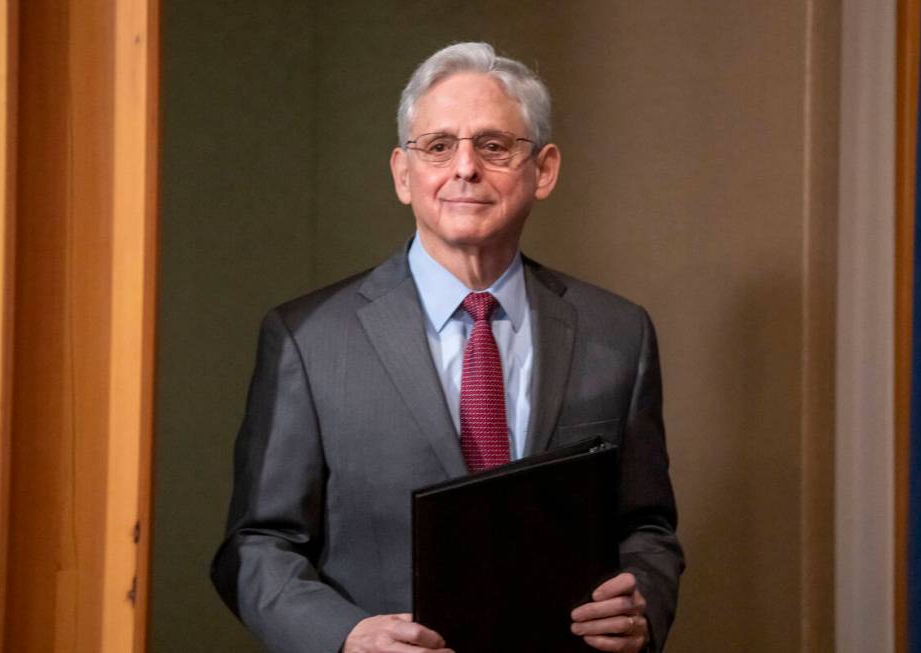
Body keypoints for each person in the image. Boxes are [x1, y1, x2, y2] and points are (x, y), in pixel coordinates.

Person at [211, 42, 683, 653]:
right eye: (437, 146)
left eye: (493, 145)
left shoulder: (617, 333)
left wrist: (641, 602)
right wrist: (345, 635)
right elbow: (257, 545)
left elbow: (646, 525)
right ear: (403, 175)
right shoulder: (308, 339)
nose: (465, 167)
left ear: (544, 169)